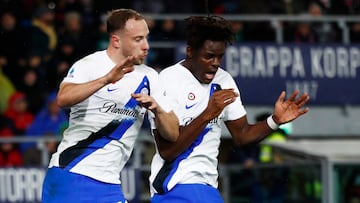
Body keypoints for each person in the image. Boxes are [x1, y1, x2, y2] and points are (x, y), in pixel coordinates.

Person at [149, 15, 310, 203]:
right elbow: (167, 151)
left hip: (207, 186)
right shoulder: (168, 80)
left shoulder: (224, 81)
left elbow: (242, 136)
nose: (216, 63)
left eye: (220, 56)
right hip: (174, 187)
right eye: (209, 56)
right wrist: (208, 114)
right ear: (190, 51)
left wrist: (274, 121)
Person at [41, 9, 179, 203]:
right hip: (73, 173)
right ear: (116, 41)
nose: (146, 46)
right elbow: (63, 98)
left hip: (109, 183)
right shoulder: (89, 65)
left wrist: (157, 109)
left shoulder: (150, 77)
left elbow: (173, 134)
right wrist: (106, 80)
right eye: (138, 39)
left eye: (147, 38)